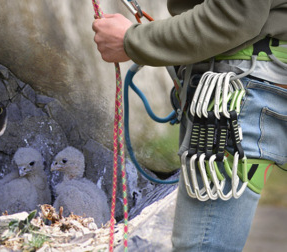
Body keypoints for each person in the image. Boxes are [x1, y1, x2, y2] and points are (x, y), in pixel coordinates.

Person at [92, 1, 287, 251]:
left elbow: (235, 15)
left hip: (234, 90)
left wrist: (134, 41)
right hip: (234, 89)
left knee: (201, 245)